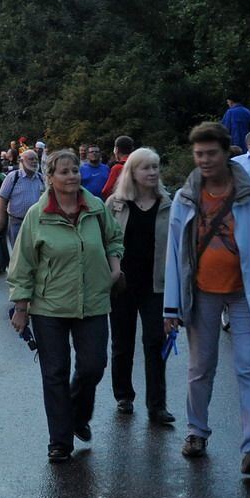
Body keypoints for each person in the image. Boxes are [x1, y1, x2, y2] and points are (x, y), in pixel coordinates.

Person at [163, 122, 250, 475]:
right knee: (200, 369)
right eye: (198, 154)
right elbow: (176, 256)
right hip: (201, 294)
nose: (204, 160)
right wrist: (170, 308)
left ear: (226, 152)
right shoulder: (185, 197)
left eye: (210, 153)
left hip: (245, 295)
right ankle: (196, 432)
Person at [8, 149, 123, 462]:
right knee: (55, 373)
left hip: (93, 301)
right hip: (49, 307)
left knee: (93, 365)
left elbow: (114, 238)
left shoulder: (96, 207)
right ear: (51, 177)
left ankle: (77, 414)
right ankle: (59, 442)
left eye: (75, 170)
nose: (72, 176)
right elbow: (22, 264)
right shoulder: (38, 214)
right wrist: (21, 307)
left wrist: (114, 266)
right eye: (64, 172)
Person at [104, 148, 173, 423]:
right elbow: (103, 241)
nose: (153, 172)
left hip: (156, 284)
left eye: (155, 167)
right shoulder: (115, 204)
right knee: (122, 342)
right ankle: (123, 395)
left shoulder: (168, 205)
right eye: (146, 168)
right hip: (122, 283)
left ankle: (157, 405)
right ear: (132, 172)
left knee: (156, 341)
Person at [0, 149, 44, 247]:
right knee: (18, 253)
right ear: (21, 161)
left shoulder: (41, 179)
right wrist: (1, 220)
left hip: (37, 223)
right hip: (17, 223)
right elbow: (2, 199)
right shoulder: (13, 177)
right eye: (31, 159)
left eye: (36, 159)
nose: (34, 161)